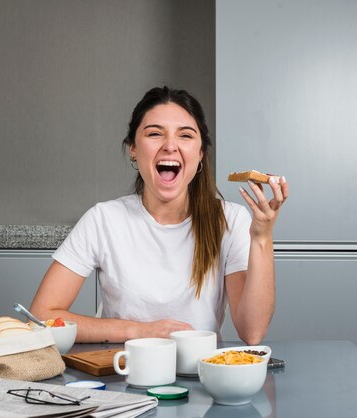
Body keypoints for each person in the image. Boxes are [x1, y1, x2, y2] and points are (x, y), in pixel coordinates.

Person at [30, 86, 289, 345]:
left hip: (200, 375)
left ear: (200, 154)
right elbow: (41, 316)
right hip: (122, 373)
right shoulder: (103, 219)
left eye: (185, 136)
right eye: (155, 133)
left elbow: (252, 332)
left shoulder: (231, 220)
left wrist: (262, 236)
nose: (170, 146)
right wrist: (138, 331)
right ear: (133, 147)